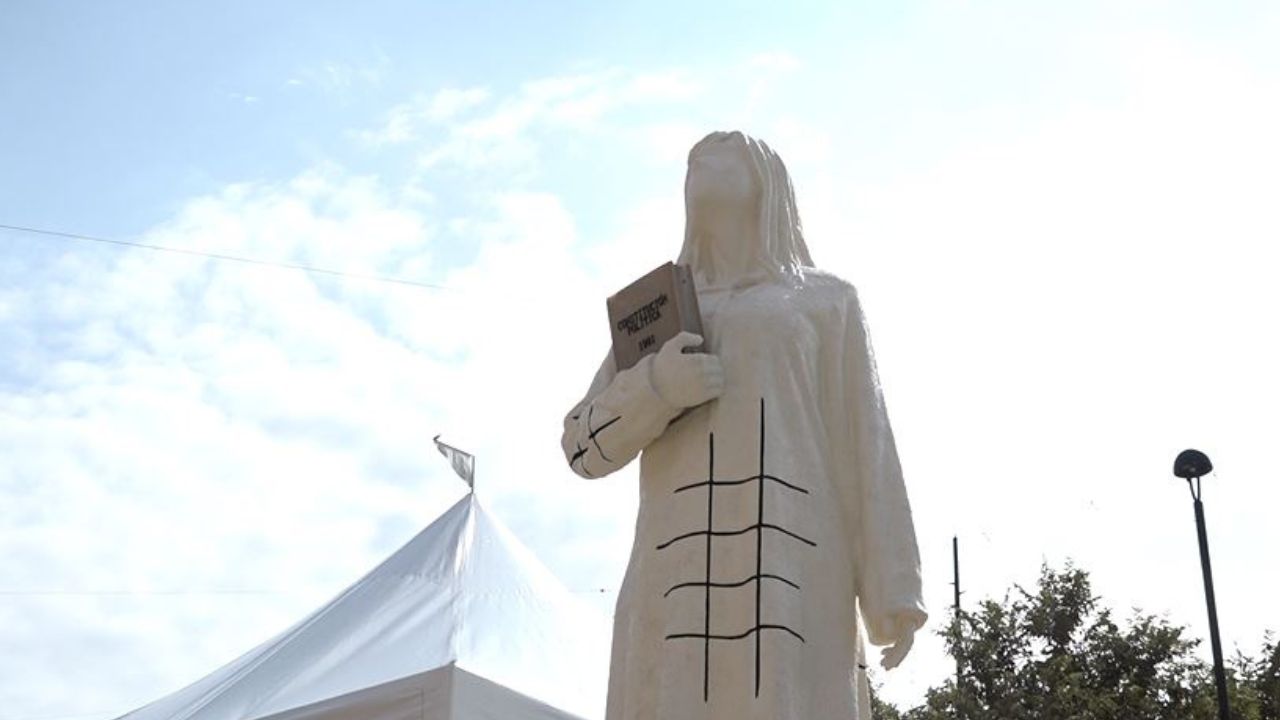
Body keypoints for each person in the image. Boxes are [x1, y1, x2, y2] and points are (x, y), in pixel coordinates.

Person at [561, 131, 925, 719]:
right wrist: (656, 388)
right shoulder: (656, 312)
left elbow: (868, 445)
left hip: (792, 569)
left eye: (725, 156)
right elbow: (581, 446)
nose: (703, 162)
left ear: (766, 183)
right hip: (672, 583)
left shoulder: (825, 301)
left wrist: (895, 590)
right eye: (695, 161)